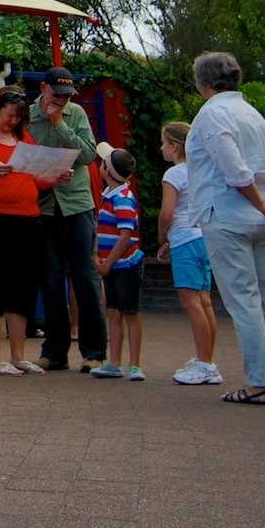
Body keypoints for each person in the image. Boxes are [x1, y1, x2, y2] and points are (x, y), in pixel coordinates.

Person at [183, 50, 265, 405]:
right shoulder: (253, 115)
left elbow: (233, 170)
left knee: (244, 301)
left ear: (204, 83)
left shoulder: (211, 114)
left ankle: (259, 382)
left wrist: (260, 201)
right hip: (264, 219)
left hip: (228, 216)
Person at [0, 87, 68, 375]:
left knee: (23, 286)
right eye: (9, 115)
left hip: (26, 220)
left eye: (18, 117)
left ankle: (18, 355)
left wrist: (54, 178)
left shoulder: (23, 139)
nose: (12, 121)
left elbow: (33, 178)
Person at [29, 66, 106, 372]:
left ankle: (94, 352)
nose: (62, 101)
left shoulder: (74, 114)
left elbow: (89, 154)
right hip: (44, 205)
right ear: (44, 89)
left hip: (76, 204)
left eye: (66, 96)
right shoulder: (27, 115)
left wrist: (59, 123)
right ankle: (55, 351)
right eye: (57, 95)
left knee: (85, 277)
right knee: (49, 278)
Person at [154, 121, 221, 385]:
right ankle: (206, 358)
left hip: (183, 239)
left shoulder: (173, 175)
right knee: (205, 302)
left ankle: (205, 365)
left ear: (174, 146)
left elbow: (167, 213)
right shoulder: (203, 171)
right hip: (205, 238)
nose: (161, 147)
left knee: (191, 303)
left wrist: (162, 238)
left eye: (163, 142)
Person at [90, 146, 144, 380]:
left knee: (129, 312)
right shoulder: (110, 195)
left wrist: (107, 262)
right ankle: (115, 362)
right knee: (113, 312)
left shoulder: (121, 198)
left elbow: (125, 235)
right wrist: (98, 257)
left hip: (126, 266)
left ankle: (134, 364)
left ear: (107, 171)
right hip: (114, 264)